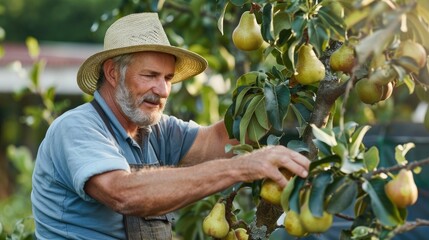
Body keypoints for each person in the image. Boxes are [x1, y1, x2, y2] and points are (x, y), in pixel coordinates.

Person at [31, 12, 310, 240]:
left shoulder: (155, 130)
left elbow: (218, 141)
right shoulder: (76, 128)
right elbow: (124, 193)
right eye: (150, 75)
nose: (163, 89)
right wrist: (243, 167)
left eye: (167, 77)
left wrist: (279, 93)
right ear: (113, 73)